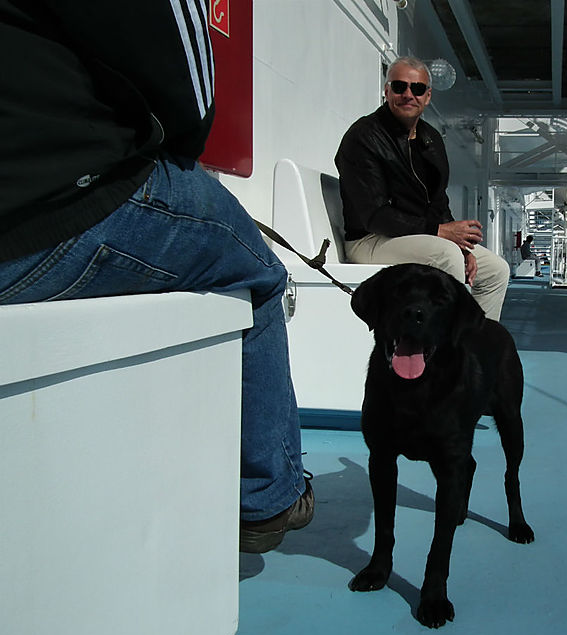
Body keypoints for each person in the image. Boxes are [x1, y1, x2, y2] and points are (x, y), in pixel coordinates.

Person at [0, 0, 312, 554]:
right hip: (50, 210)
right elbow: (185, 85)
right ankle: (269, 496)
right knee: (264, 276)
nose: (409, 94)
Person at [335, 56, 509, 321]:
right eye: (399, 87)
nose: (408, 95)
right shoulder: (364, 136)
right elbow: (375, 216)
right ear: (387, 91)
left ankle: (477, 341)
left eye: (417, 89)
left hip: (415, 235)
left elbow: (438, 202)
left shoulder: (430, 138)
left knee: (496, 270)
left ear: (427, 97)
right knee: (446, 256)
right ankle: (443, 342)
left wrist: (462, 245)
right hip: (369, 239)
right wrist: (441, 233)